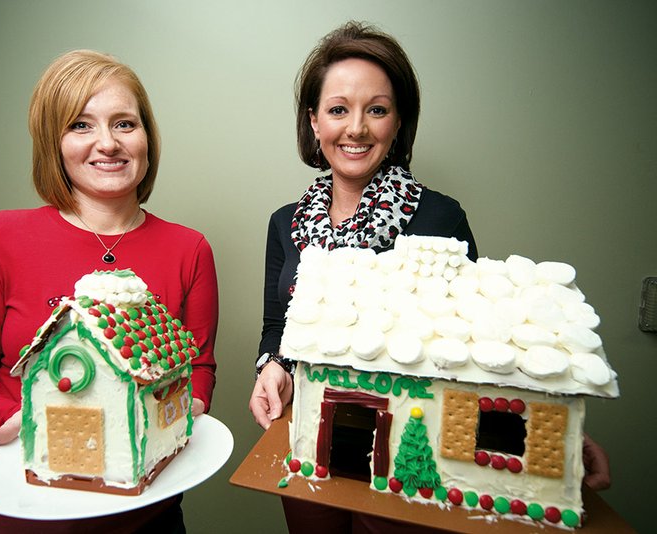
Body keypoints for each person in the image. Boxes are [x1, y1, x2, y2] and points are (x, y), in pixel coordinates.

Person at [248, 21, 610, 534]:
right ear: (313, 122)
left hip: (407, 452)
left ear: (398, 122)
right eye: (337, 109)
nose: (356, 128)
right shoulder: (285, 222)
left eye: (377, 109)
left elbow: (482, 340)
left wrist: (556, 425)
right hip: (306, 433)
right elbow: (275, 327)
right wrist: (271, 367)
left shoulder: (440, 219)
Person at [0, 50, 218, 534]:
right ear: (52, 144)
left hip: (142, 517)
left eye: (125, 123)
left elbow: (197, 366)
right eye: (80, 125)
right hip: (10, 516)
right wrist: (31, 425)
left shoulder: (190, 249)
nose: (108, 143)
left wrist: (177, 409)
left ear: (147, 137)